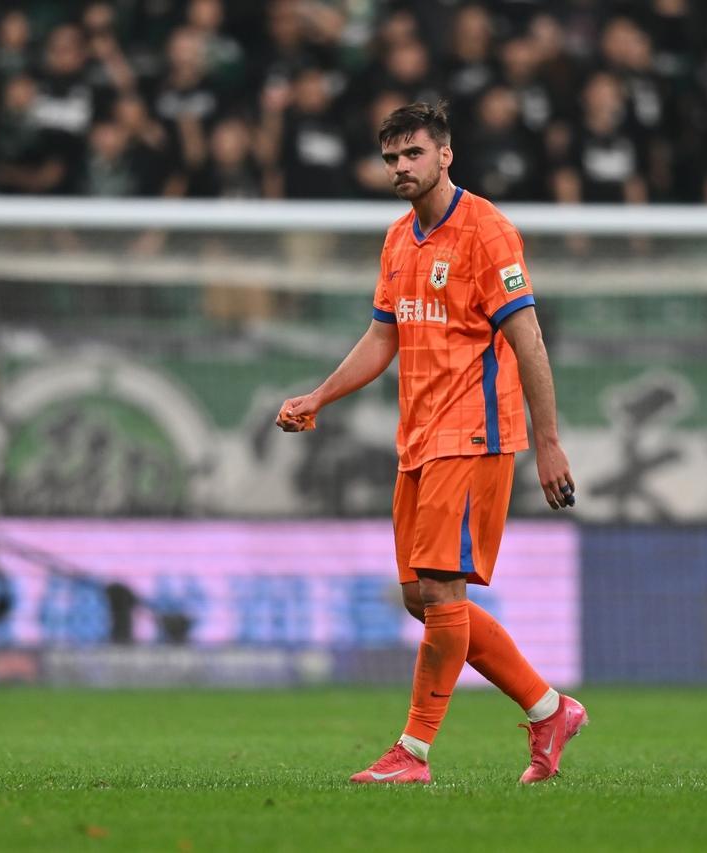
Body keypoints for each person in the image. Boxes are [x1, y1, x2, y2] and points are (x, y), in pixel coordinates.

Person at [275, 101, 585, 785]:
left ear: (446, 155)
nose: (401, 167)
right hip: (417, 438)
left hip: (473, 432)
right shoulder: (397, 239)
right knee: (422, 597)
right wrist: (319, 396)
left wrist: (548, 442)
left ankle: (412, 752)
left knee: (443, 590)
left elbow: (528, 339)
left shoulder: (487, 231)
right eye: (391, 158)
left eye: (413, 153)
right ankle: (549, 708)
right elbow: (382, 335)